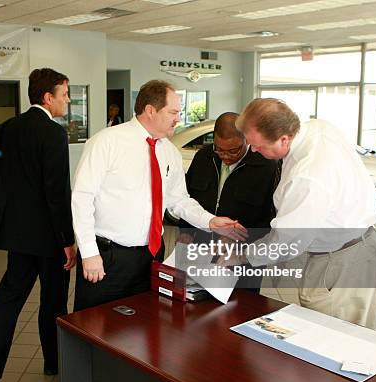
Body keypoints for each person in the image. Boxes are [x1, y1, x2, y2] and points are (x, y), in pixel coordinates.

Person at [71, 80, 245, 311]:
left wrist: (210, 221)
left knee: (144, 328)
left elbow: (178, 201)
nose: (178, 119)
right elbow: (82, 198)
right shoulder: (106, 142)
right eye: (173, 112)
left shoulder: (169, 151)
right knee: (95, 327)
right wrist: (89, 253)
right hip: (108, 257)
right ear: (150, 110)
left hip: (151, 256)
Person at [219, 98, 376, 329]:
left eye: (258, 145)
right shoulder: (318, 127)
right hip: (360, 239)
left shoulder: (307, 177)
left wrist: (238, 256)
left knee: (333, 331)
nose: (254, 150)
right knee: (351, 325)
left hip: (345, 255)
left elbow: (286, 242)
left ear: (284, 138)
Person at [0, 68, 76, 382]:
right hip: (49, 239)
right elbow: (57, 193)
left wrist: (13, 210)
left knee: (7, 302)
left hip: (18, 239)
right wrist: (67, 240)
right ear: (48, 97)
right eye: (64, 94)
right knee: (54, 303)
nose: (67, 100)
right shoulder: (54, 134)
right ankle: (53, 364)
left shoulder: (6, 130)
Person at [178, 112, 280, 291]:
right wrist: (186, 231)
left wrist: (239, 240)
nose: (225, 156)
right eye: (219, 149)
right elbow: (188, 197)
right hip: (202, 251)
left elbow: (272, 219)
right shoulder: (204, 157)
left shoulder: (266, 165)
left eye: (233, 150)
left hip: (243, 256)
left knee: (241, 308)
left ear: (246, 139)